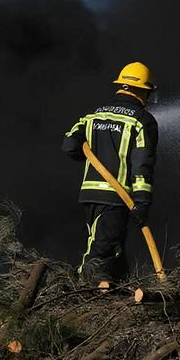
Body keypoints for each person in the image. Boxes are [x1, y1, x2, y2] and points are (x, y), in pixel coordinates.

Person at [62, 62, 158, 283]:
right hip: (116, 197)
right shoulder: (142, 120)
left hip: (90, 194)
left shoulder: (92, 115)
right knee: (100, 252)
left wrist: (91, 146)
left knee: (112, 249)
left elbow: (69, 145)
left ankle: (115, 289)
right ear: (142, 90)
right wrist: (142, 201)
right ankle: (83, 292)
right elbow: (142, 163)